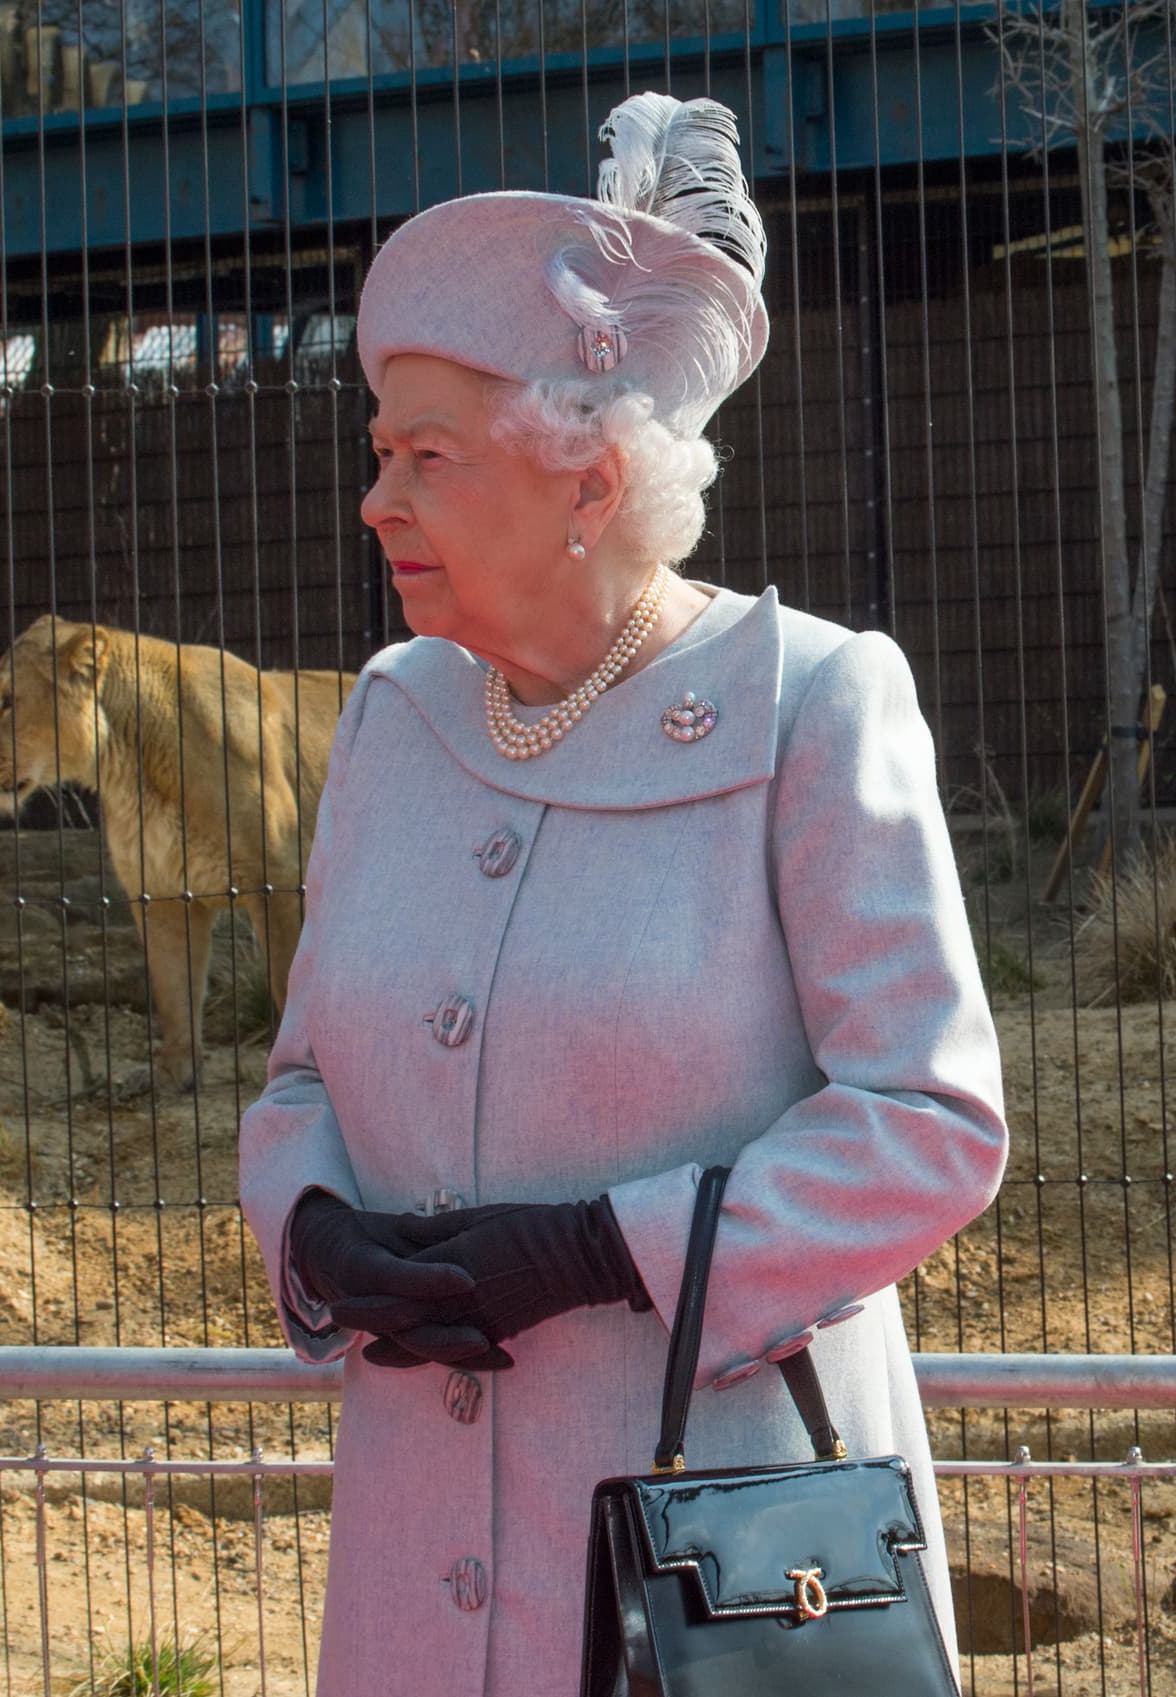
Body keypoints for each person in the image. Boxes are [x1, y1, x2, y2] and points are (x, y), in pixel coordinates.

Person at [239, 90, 1007, 1697]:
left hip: (718, 1578)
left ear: (586, 476)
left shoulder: (811, 702)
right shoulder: (392, 716)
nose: (379, 501)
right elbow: (301, 1070)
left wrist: (608, 1250)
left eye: (426, 461)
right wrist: (314, 1230)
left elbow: (931, 1121)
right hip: (414, 1577)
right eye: (382, 456)